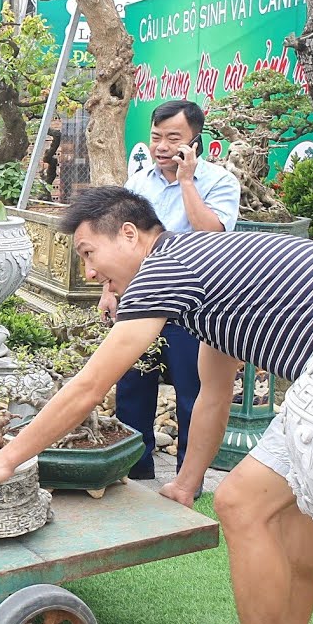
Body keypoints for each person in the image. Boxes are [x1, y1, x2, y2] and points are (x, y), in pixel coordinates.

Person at [0, 186, 313, 624]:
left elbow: (90, 385)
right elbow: (213, 393)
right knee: (299, 508)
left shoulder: (165, 266)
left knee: (241, 503)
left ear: (130, 234)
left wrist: (6, 457)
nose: (89, 272)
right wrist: (187, 483)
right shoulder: (207, 276)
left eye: (89, 253)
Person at [106, 100, 240, 479]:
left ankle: (188, 479)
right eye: (156, 137)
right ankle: (136, 473)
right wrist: (111, 292)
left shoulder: (220, 182)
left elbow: (211, 234)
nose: (162, 147)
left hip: (193, 307)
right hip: (142, 298)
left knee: (192, 393)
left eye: (173, 138)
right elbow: (120, 244)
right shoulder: (138, 183)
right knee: (132, 385)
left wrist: (186, 181)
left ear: (195, 142)